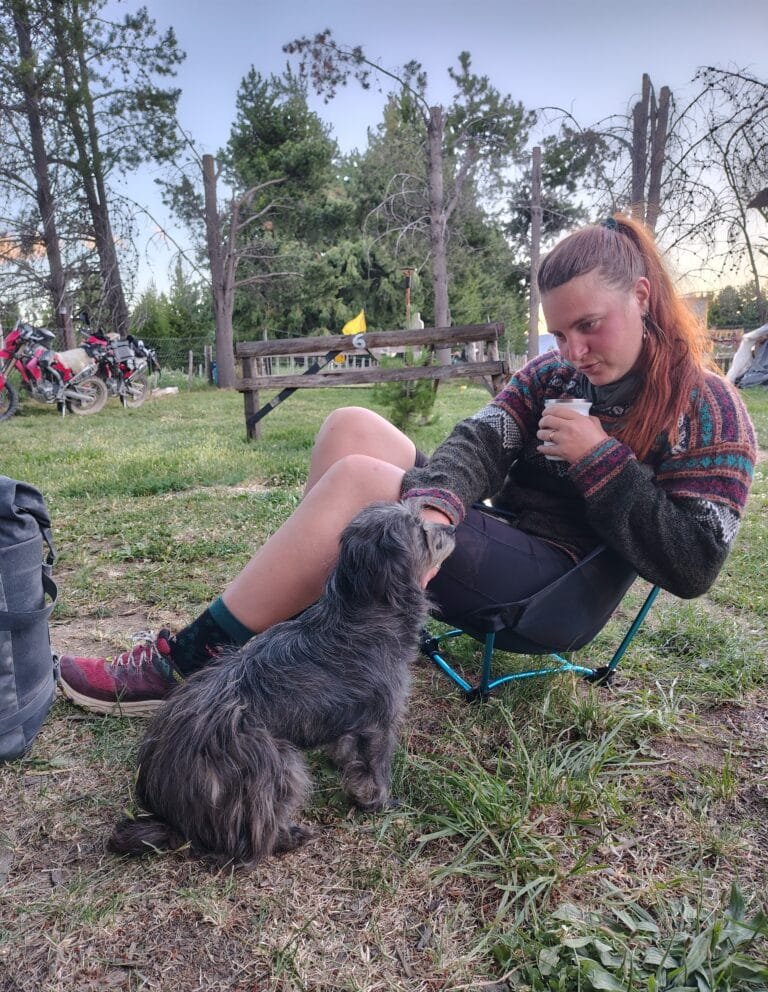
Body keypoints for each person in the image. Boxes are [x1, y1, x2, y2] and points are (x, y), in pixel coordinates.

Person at [58, 214, 757, 716]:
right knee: (350, 427)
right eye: (559, 331)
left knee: (362, 483)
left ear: (642, 297)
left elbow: (694, 564)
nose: (572, 350)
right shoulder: (554, 376)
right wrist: (433, 511)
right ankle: (317, 636)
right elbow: (478, 443)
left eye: (589, 325)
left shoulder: (707, 405)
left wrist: (600, 458)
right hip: (502, 539)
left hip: (556, 594)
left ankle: (187, 661)